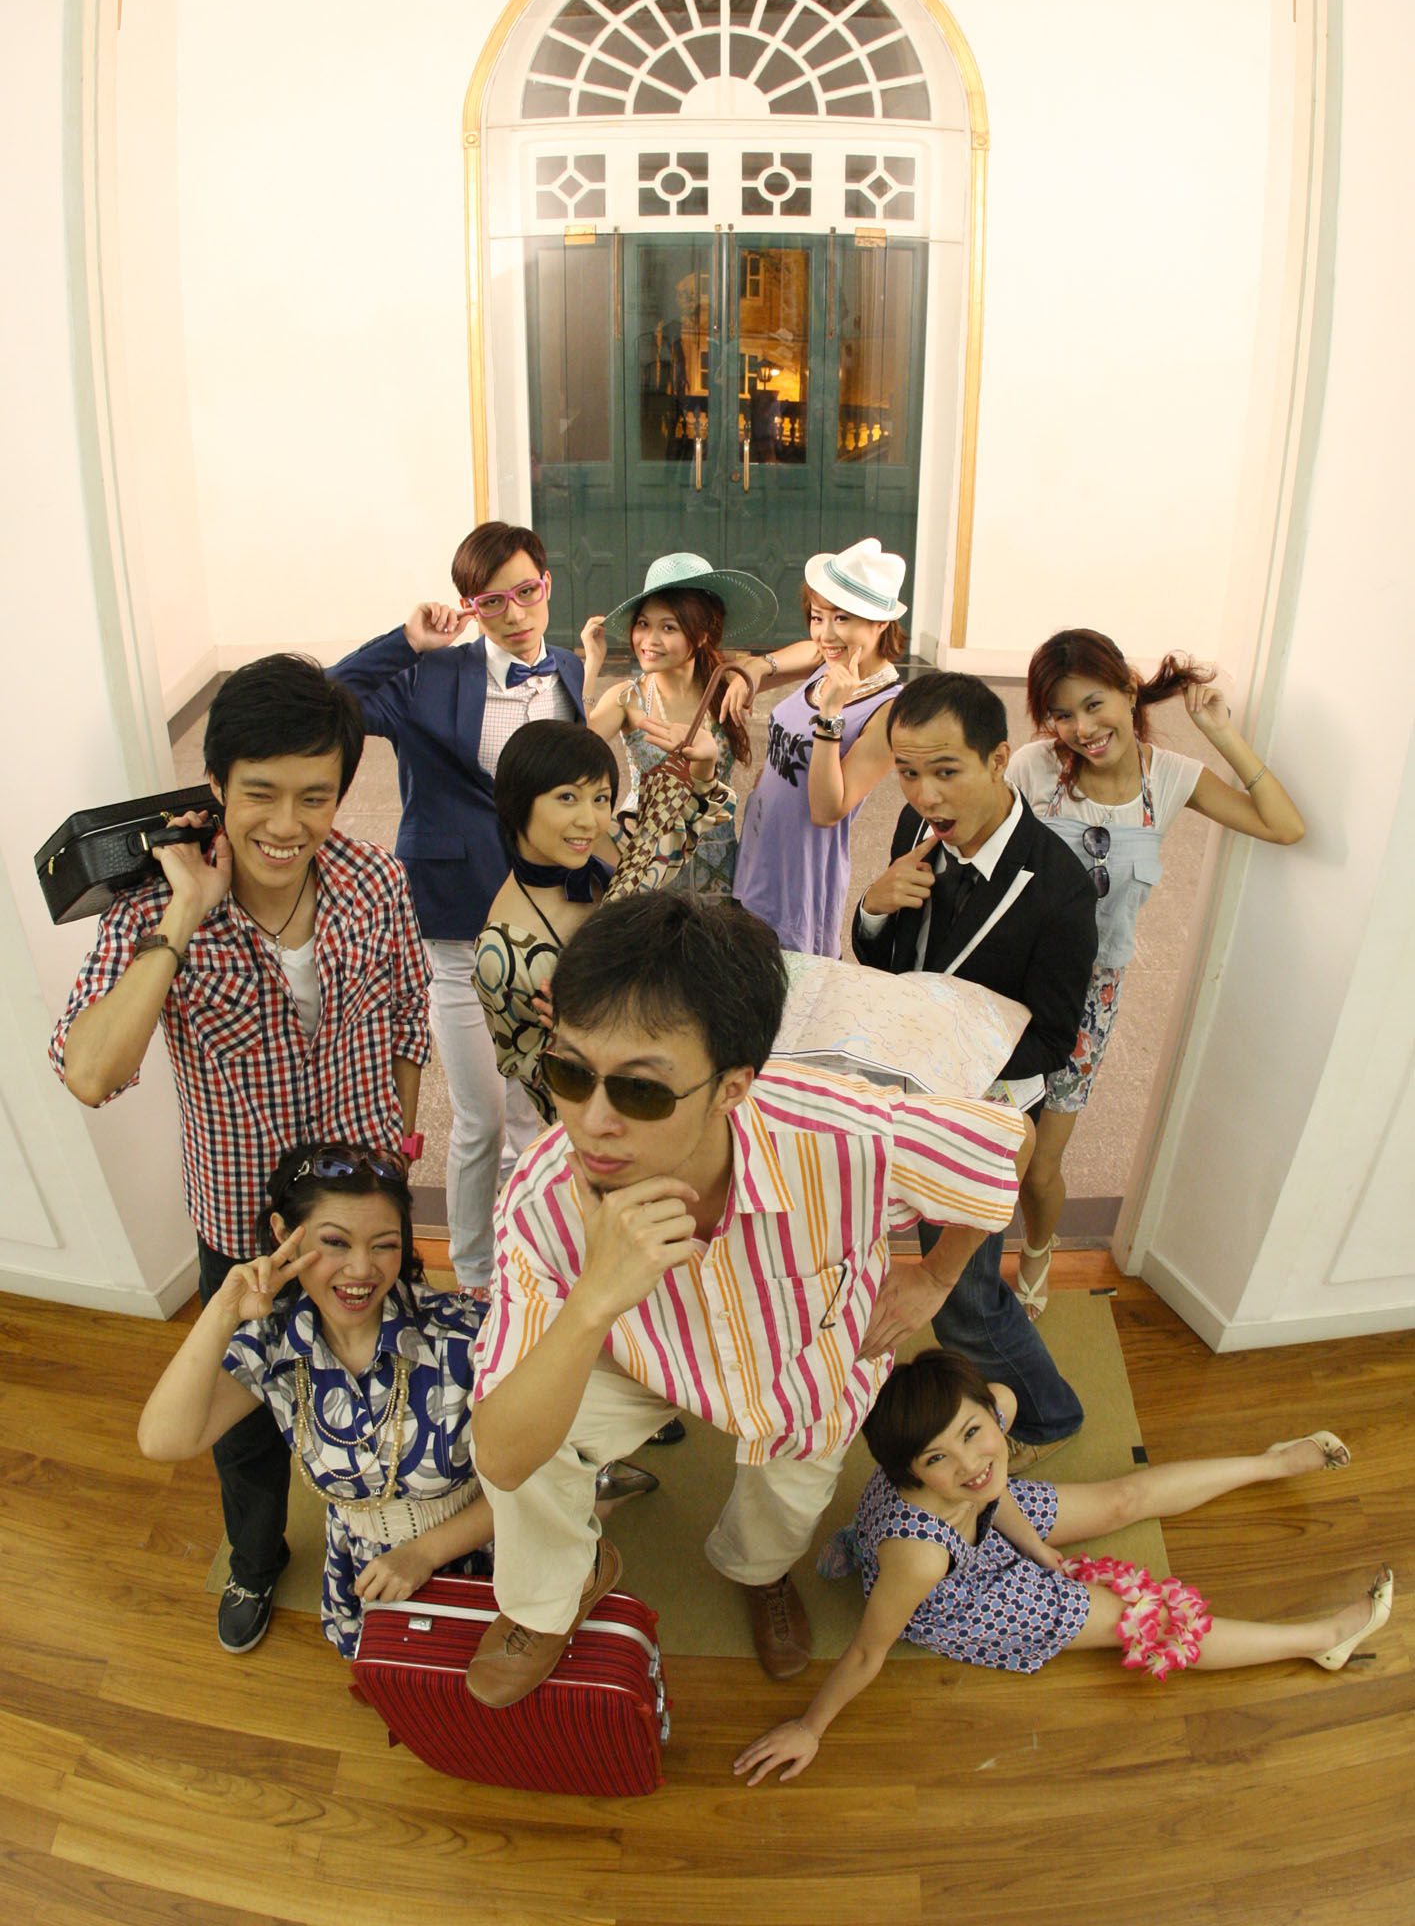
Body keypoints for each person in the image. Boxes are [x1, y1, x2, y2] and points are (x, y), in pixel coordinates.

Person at [464, 891, 1031, 1705]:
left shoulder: (850, 1137)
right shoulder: (542, 1197)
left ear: (732, 1087)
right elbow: (500, 1455)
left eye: (641, 1091)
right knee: (532, 1429)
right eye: (568, 1073)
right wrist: (592, 1302)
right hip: (638, 1348)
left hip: (803, 1364)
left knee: (783, 1506)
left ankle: (757, 1573)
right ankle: (554, 1592)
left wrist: (936, 1274)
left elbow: (1007, 1146)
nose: (591, 1122)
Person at [51, 655, 431, 1653]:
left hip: (366, 1214)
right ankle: (257, 1560)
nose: (287, 823)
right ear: (214, 784)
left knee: (391, 1379)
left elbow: (406, 1016)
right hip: (242, 1227)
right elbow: (90, 1072)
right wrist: (182, 912)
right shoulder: (154, 909)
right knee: (246, 1423)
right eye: (260, 792)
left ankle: (410, 1527)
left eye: (315, 795)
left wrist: (396, 1148)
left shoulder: (373, 879)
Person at [734, 1348, 1393, 1784]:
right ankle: (1322, 1640)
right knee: (1148, 1622)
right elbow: (864, 1653)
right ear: (909, 1470)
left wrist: (1040, 1550)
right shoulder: (919, 1558)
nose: (969, 1462)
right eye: (937, 1458)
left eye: (973, 1432)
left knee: (1120, 1499)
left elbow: (985, 1491)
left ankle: (1271, 1463)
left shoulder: (994, 1416)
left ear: (989, 1413)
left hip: (981, 1522)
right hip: (964, 1595)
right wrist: (809, 1727)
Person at [1006, 629, 1306, 1318]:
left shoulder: (1168, 778)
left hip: (1090, 995)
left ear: (1127, 689)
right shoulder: (1032, 769)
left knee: (1043, 1165)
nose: (1081, 729)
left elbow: (1283, 826)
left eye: (1093, 705)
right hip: (1013, 980)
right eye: (1061, 714)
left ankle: (1036, 1255)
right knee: (996, 1145)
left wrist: (1219, 734)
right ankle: (963, 1273)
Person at [329, 522, 587, 1294]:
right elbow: (329, 701)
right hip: (457, 929)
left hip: (544, 928)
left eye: (527, 592)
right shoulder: (430, 675)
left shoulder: (569, 669)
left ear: (546, 583)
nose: (516, 613)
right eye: (492, 601)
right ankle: (474, 1274)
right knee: (482, 1116)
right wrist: (406, 642)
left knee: (538, 1111)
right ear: (470, 607)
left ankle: (532, 1262)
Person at [851, 671, 1098, 1458]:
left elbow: (1052, 1040)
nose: (924, 794)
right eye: (906, 772)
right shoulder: (913, 827)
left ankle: (1048, 1418)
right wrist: (873, 908)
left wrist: (947, 1056)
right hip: (903, 1092)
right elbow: (887, 965)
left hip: (982, 1112)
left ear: (996, 760)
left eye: (945, 770)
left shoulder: (1059, 888)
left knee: (962, 1292)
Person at [137, 1145, 495, 1658]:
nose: (361, 1269)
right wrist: (222, 1311)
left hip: (476, 1562)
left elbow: (541, 1484)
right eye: (335, 1242)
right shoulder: (273, 1345)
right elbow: (162, 1440)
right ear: (285, 1236)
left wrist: (422, 1554)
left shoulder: (466, 1335)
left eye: (384, 1245)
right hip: (364, 1570)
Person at [473, 718, 735, 1126]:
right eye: (567, 797)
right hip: (617, 1128)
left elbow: (672, 831)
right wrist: (582, 1035)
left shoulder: (608, 849)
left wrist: (703, 765)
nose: (589, 820)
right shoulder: (505, 953)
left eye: (601, 798)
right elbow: (549, 1094)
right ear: (516, 802)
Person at [732, 537, 907, 956]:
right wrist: (757, 666)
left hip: (800, 877)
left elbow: (828, 811)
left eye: (842, 618)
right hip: (760, 851)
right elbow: (810, 650)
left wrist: (831, 717)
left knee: (788, 983)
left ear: (880, 623)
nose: (826, 634)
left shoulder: (888, 710)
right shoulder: (830, 660)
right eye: (817, 616)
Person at [580, 552, 775, 897]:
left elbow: (815, 655)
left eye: (668, 627)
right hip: (646, 857)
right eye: (643, 624)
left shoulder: (726, 686)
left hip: (715, 855)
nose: (649, 640)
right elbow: (575, 750)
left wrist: (761, 666)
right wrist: (592, 664)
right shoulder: (628, 697)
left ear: (702, 634)